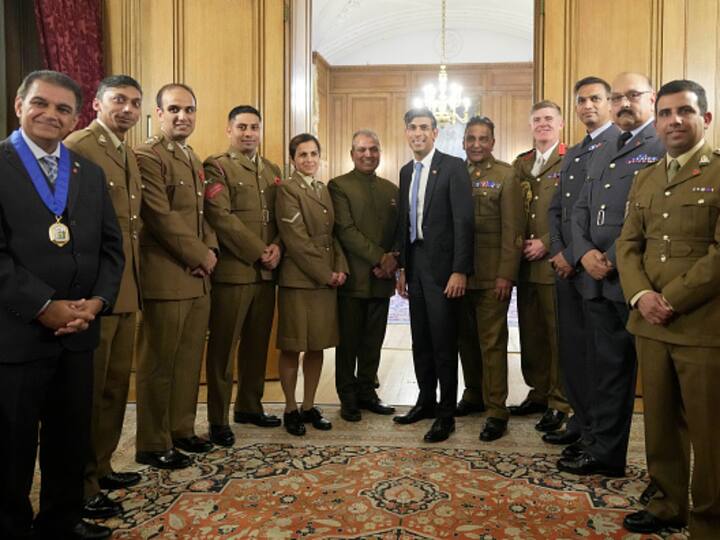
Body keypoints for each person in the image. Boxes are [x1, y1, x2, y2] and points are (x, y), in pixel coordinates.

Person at [0, 70, 124, 540]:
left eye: (63, 108)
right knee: (11, 443)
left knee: (69, 436)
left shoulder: (86, 172)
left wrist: (97, 301)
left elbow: (112, 248)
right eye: (41, 104)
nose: (51, 114)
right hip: (17, 332)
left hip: (79, 331)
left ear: (76, 118)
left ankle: (61, 520)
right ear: (19, 105)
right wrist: (43, 305)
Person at [618, 79, 720, 537]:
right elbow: (628, 245)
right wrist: (642, 296)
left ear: (706, 119)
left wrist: (670, 300)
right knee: (659, 427)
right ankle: (667, 504)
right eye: (664, 113)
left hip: (702, 327)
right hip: (651, 325)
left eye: (684, 111)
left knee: (710, 434)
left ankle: (709, 522)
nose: (673, 120)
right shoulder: (647, 176)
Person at [559, 72, 664, 477]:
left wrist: (607, 255)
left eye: (632, 95)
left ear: (650, 99)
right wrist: (583, 252)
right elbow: (581, 208)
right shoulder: (604, 147)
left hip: (634, 281)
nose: (624, 103)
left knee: (649, 382)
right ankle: (603, 450)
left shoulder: (658, 144)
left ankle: (659, 471)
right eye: (618, 96)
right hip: (596, 282)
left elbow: (648, 218)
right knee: (605, 373)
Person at [64, 74, 144, 521]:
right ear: (96, 103)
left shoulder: (124, 149)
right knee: (89, 393)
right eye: (118, 100)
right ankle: (81, 484)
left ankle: (103, 466)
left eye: (134, 102)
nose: (127, 109)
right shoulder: (80, 145)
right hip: (92, 291)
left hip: (124, 287)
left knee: (115, 387)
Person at [134, 83, 218, 468]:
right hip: (167, 274)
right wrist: (201, 254)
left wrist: (210, 251)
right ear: (159, 113)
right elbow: (158, 216)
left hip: (198, 275)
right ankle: (153, 441)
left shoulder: (190, 155)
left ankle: (181, 429)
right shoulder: (147, 155)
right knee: (159, 363)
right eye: (174, 109)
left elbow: (201, 215)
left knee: (187, 361)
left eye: (189, 110)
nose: (182, 116)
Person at [545, 77, 619, 448]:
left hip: (596, 269)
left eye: (595, 98)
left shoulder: (619, 144)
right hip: (567, 267)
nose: (587, 105)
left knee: (598, 359)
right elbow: (557, 207)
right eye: (581, 100)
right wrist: (559, 250)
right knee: (572, 353)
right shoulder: (573, 152)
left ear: (609, 103)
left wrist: (576, 254)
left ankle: (596, 433)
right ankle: (580, 422)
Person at [203, 105, 283, 447]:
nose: (248, 133)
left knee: (256, 346)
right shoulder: (217, 165)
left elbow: (282, 216)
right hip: (235, 273)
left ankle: (249, 406)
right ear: (229, 129)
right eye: (242, 127)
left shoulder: (271, 169)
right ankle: (218, 418)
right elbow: (221, 217)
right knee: (224, 348)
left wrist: (278, 245)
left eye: (254, 127)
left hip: (266, 275)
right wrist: (258, 250)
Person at [393, 108, 474, 443]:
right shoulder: (405, 172)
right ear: (406, 132)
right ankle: (424, 401)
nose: (418, 134)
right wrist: (401, 268)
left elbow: (464, 222)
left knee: (443, 342)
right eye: (412, 127)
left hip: (444, 269)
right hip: (415, 263)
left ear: (436, 133)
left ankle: (445, 413)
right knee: (420, 340)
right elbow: (404, 222)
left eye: (424, 128)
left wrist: (460, 270)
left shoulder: (453, 167)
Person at [275, 133, 348, 436]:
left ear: (320, 157)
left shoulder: (322, 188)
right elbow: (297, 241)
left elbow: (332, 236)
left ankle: (309, 405)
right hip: (299, 280)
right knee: (293, 346)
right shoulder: (287, 190)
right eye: (302, 155)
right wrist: (325, 273)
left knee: (317, 345)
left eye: (313, 154)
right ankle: (290, 408)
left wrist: (340, 268)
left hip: (324, 280)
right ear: (292, 159)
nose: (308, 160)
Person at [456, 116, 524, 441]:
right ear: (463, 142)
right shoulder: (456, 174)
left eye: (483, 138)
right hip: (460, 275)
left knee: (492, 343)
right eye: (471, 138)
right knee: (465, 340)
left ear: (493, 142)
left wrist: (506, 275)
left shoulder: (506, 176)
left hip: (492, 275)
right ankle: (473, 394)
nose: (477, 144)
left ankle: (497, 410)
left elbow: (514, 232)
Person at [328, 129, 398, 422]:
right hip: (353, 278)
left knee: (373, 341)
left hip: (383, 279)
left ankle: (368, 391)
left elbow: (400, 230)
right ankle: (348, 396)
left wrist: (393, 258)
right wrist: (379, 257)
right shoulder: (339, 186)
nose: (368, 155)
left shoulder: (392, 189)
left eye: (373, 149)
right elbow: (345, 230)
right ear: (352, 154)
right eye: (362, 150)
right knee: (349, 342)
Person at [510, 101, 570, 434]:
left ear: (560, 124)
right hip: (524, 265)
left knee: (556, 334)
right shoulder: (521, 163)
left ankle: (560, 401)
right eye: (537, 120)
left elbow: (576, 209)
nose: (542, 124)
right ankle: (538, 391)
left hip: (553, 263)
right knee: (531, 334)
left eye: (549, 119)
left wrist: (547, 241)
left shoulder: (571, 159)